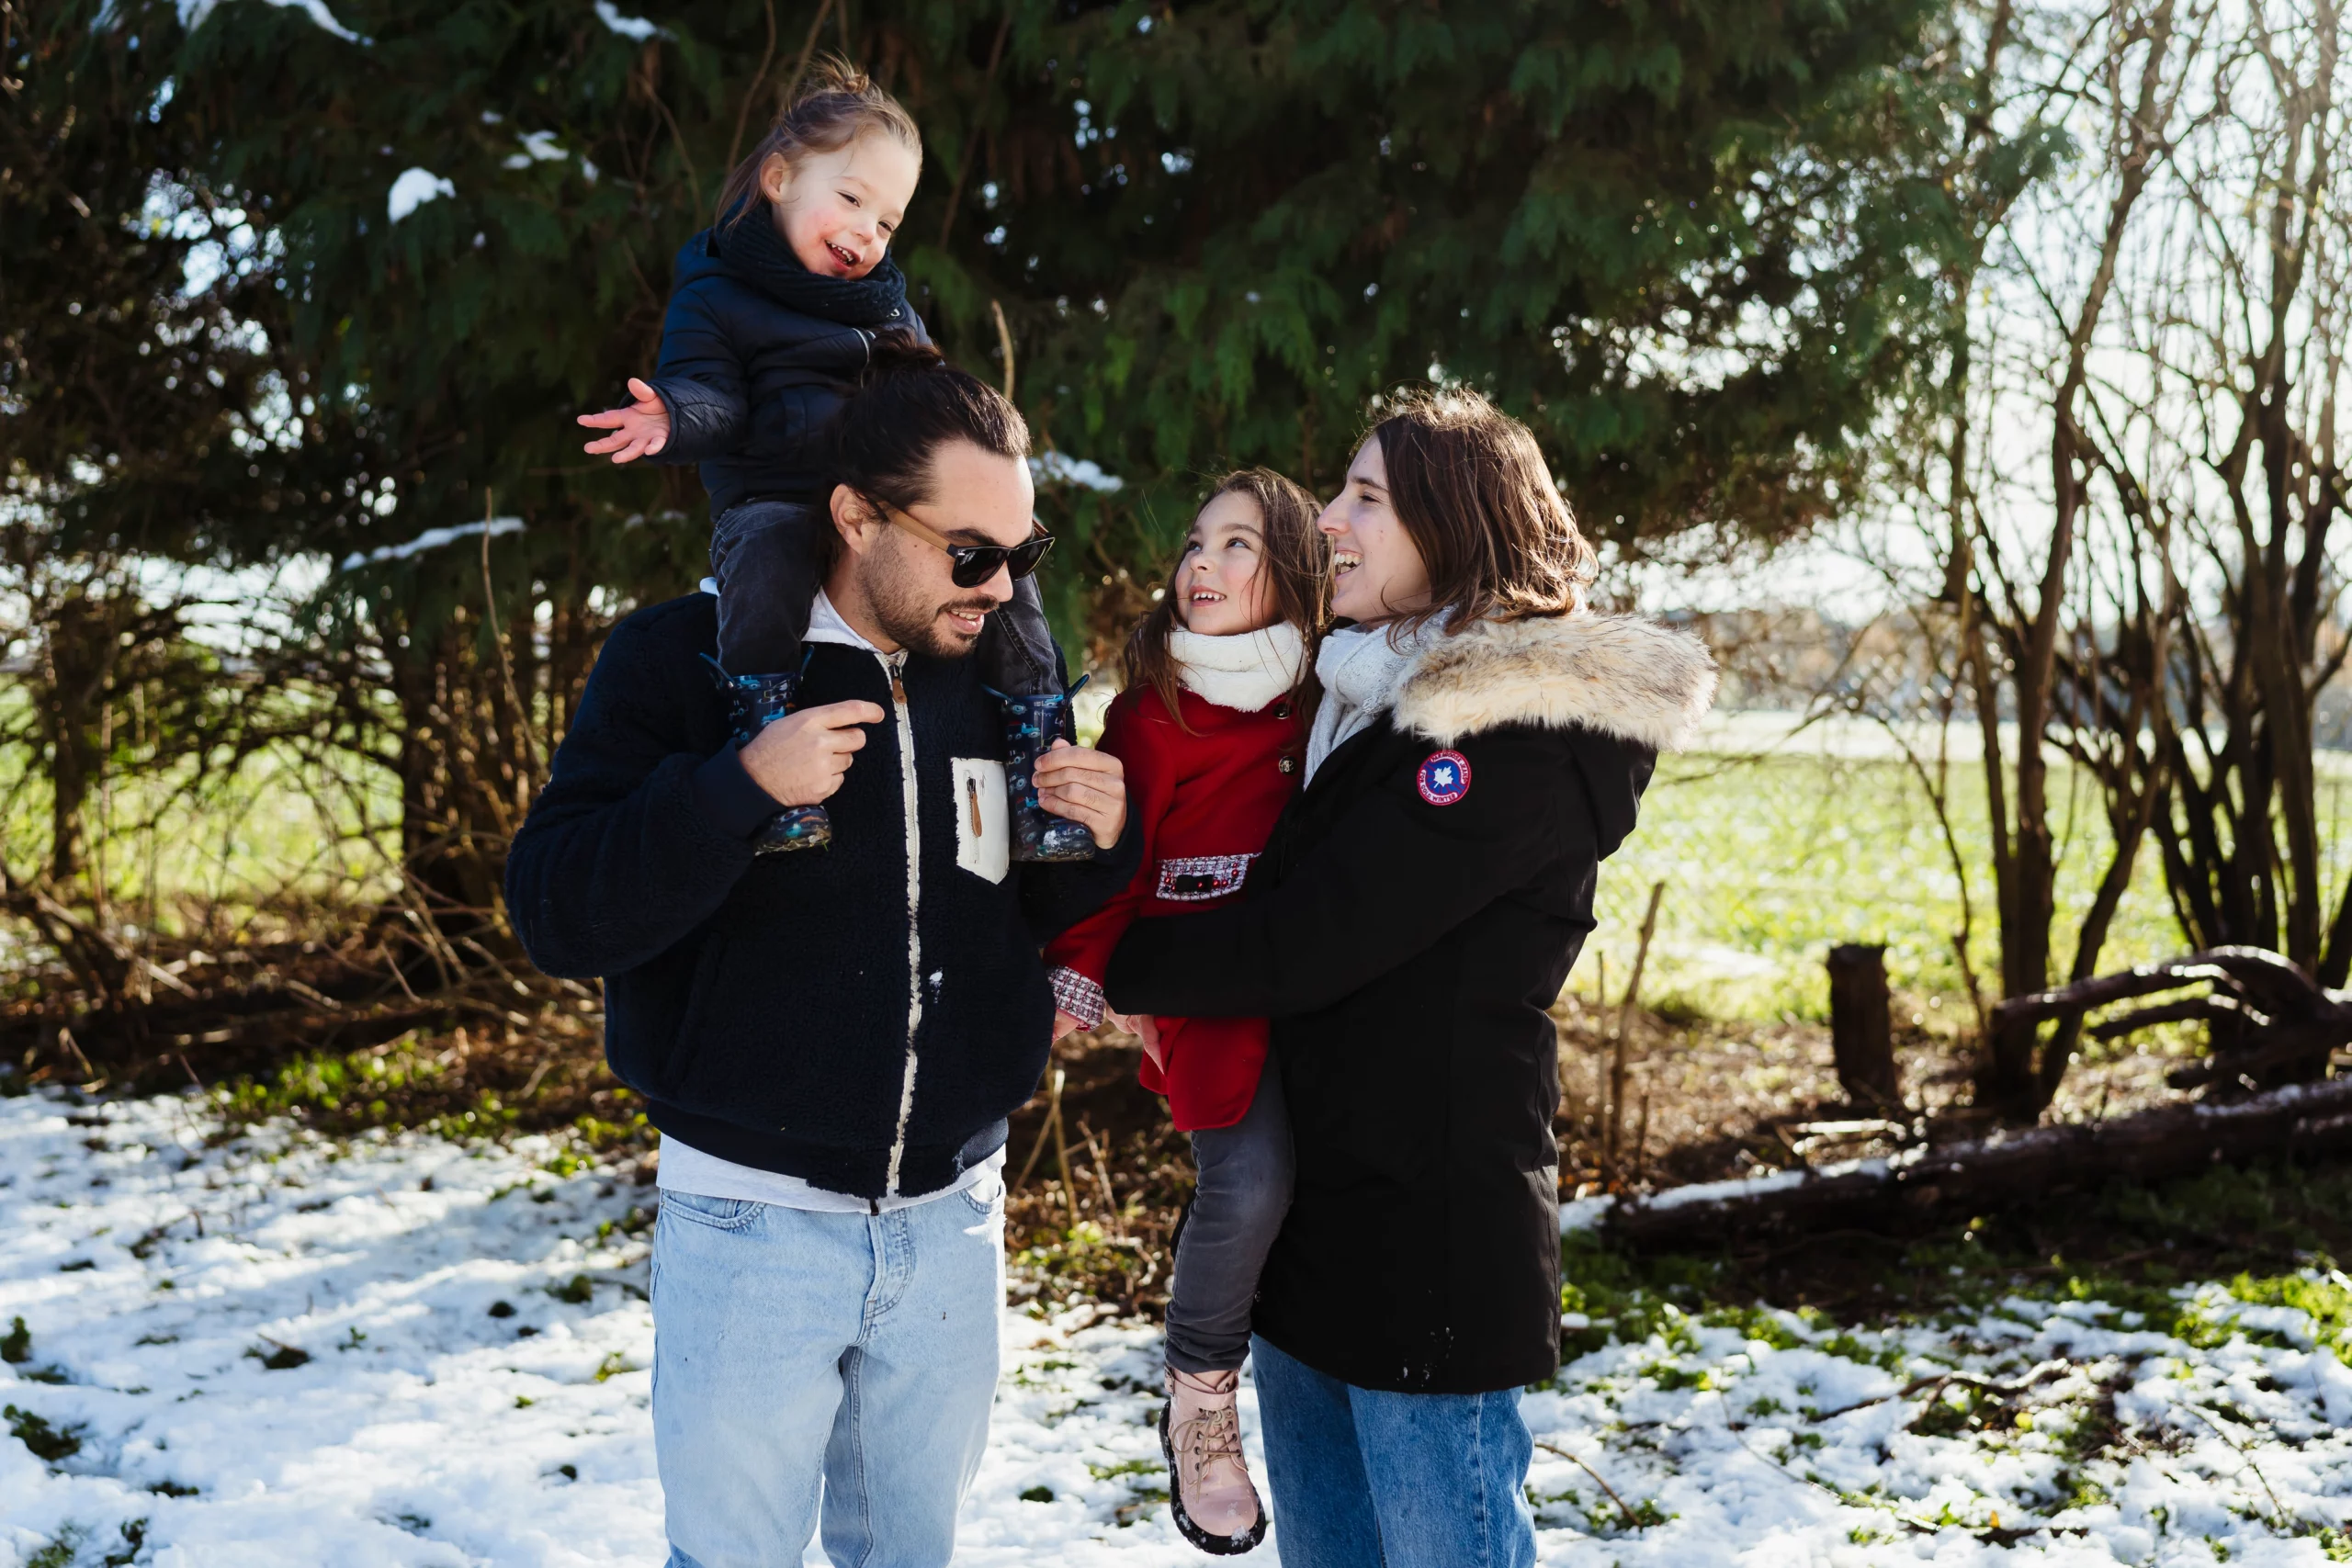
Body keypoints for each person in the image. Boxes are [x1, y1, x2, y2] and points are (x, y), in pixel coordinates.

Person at [507, 342, 1136, 1568]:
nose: (1004, 588)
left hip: (952, 1218)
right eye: (972, 553)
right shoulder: (684, 665)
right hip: (750, 1222)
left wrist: (1107, 844)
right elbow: (554, 910)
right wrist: (736, 789)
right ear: (854, 515)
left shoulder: (1006, 685)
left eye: (1025, 553)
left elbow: (1043, 916)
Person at [1104, 389, 1715, 1568]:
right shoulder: (1361, 702)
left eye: (1367, 499)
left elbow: (1310, 937)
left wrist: (1115, 963)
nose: (1327, 520)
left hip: (1425, 1249)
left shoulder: (1508, 739)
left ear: (1457, 523)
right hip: (1319, 1237)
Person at [575, 58, 1067, 858]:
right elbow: (715, 394)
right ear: (778, 178)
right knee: (770, 555)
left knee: (1003, 563)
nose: (866, 233)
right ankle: (765, 730)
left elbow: (926, 398)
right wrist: (676, 413)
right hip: (773, 497)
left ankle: (1037, 751)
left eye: (887, 222)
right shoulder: (716, 292)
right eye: (850, 199)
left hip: (882, 507)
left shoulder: (885, 307)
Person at [1039, 468, 1328, 1555]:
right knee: (1247, 1178)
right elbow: (1110, 867)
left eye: (1238, 546)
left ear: (1295, 570)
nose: (1200, 564)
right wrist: (1095, 975)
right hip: (1197, 991)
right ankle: (1201, 1402)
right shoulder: (1150, 715)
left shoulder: (1329, 704)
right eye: (1195, 544)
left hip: (1309, 982)